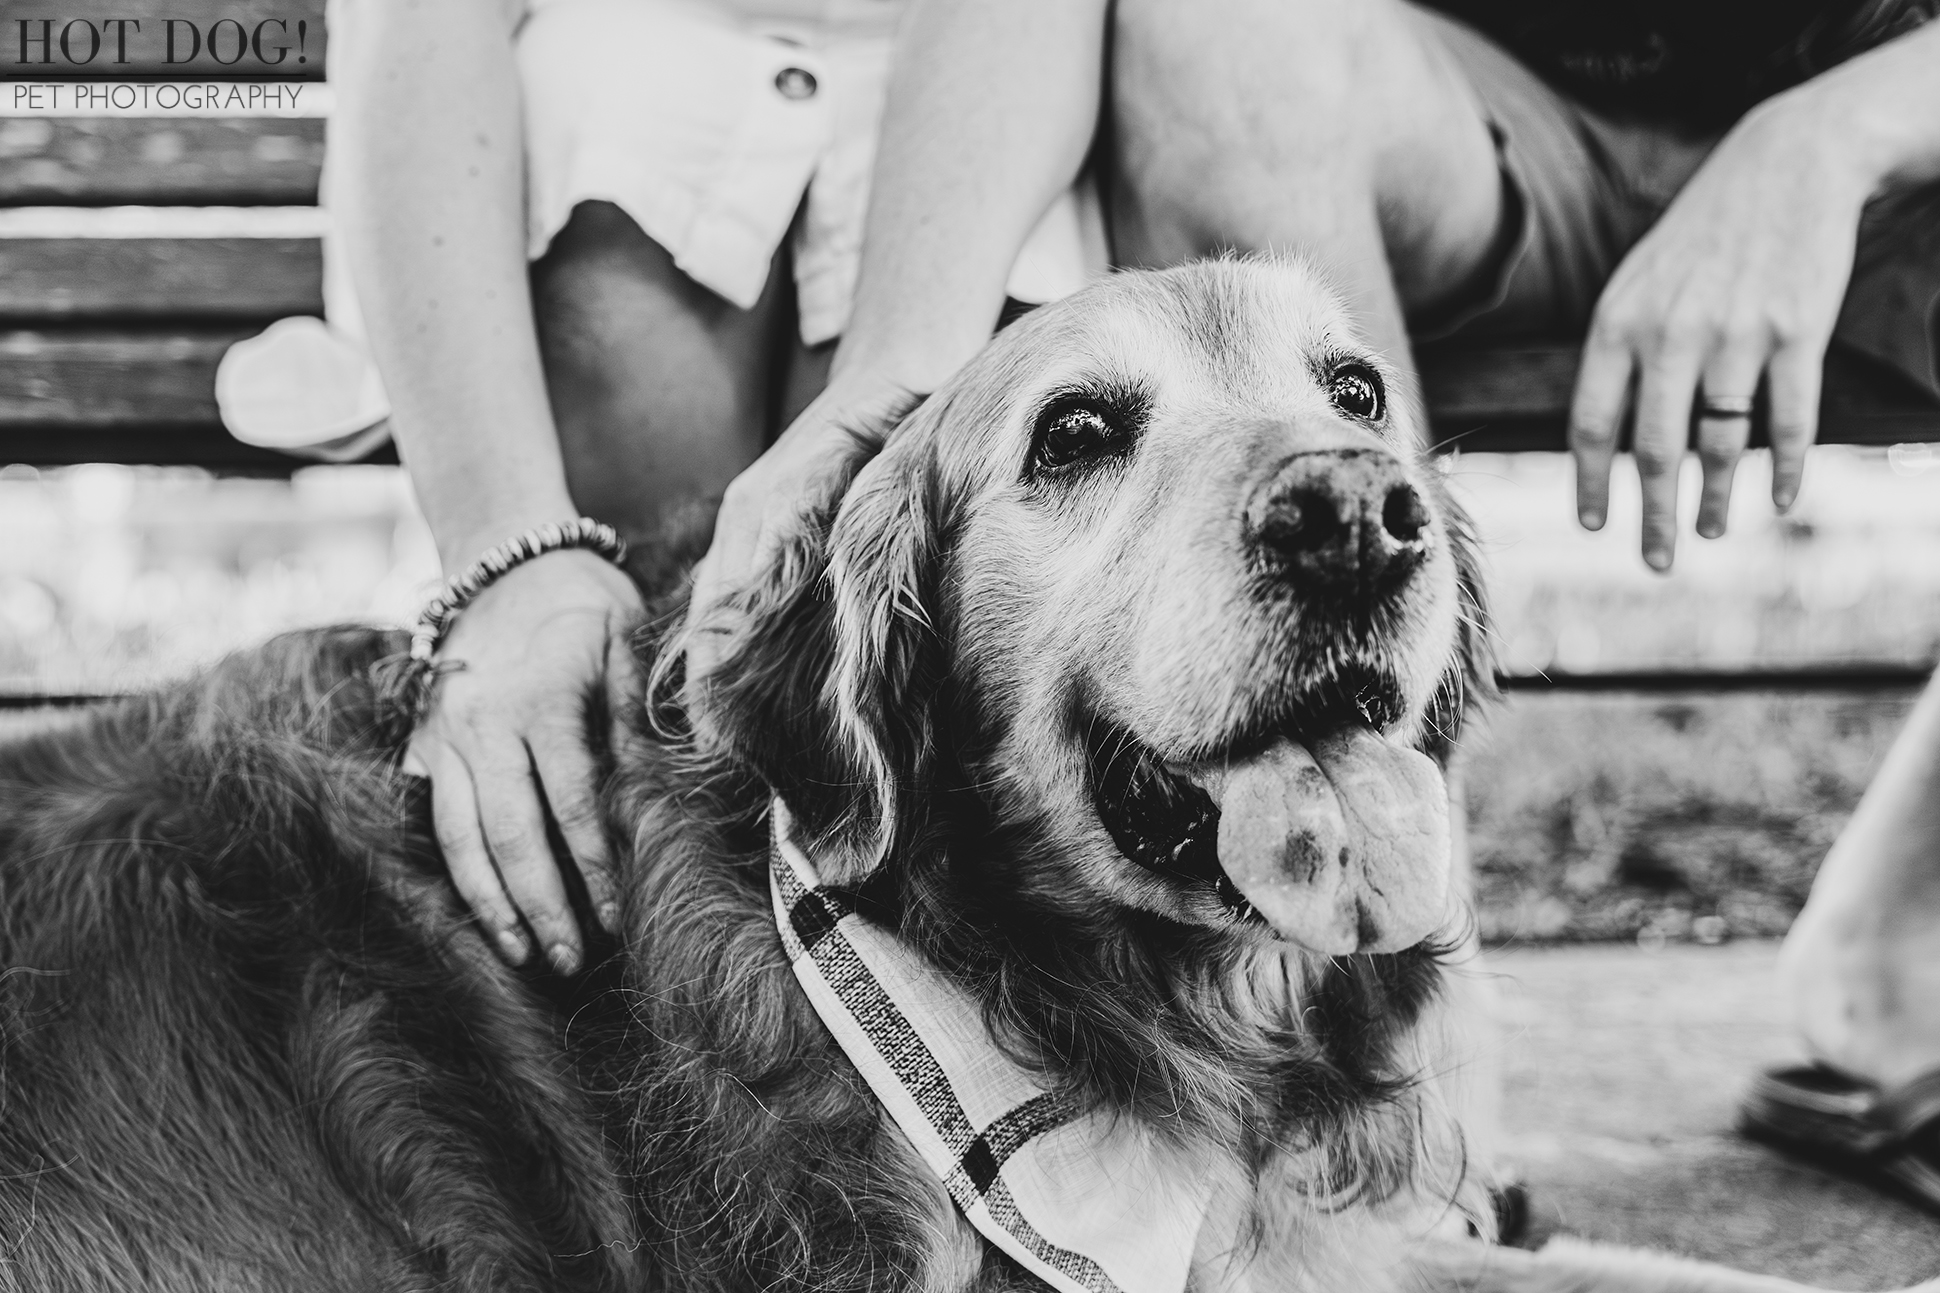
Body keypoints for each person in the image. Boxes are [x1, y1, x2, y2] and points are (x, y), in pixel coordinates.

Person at [679, 0, 1940, 1207]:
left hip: (1898, 107)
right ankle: (1436, 1028)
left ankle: (1900, 942)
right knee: (1214, 19)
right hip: (1475, 104)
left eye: (1348, 398)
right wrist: (899, 376)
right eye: (1078, 438)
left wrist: (1822, 141)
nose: (1349, 507)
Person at [333, 0, 1100, 978]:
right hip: (609, 43)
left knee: (983, 452)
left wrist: (889, 379)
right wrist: (507, 542)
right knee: (619, 333)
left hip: (984, 61)